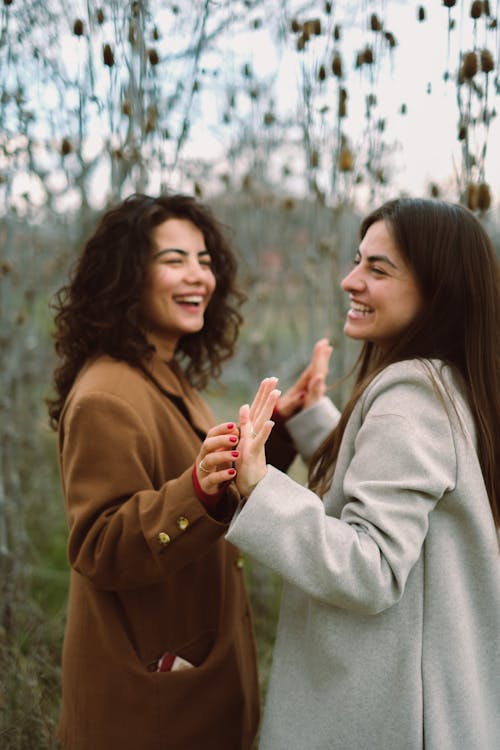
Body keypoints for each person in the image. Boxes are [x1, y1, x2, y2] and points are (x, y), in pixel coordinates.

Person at [225, 198, 500, 750]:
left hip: (395, 720)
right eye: (358, 260)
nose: (351, 280)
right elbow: (408, 483)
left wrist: (259, 489)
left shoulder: (413, 394)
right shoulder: (451, 382)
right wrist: (312, 421)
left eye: (378, 269)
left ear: (438, 288)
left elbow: (371, 565)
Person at [47, 192, 311, 750]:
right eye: (174, 260)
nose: (199, 277)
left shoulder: (157, 369)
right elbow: (99, 546)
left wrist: (281, 430)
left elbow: (211, 490)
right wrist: (196, 488)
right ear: (126, 277)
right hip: (148, 705)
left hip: (193, 680)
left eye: (205, 261)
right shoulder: (107, 396)